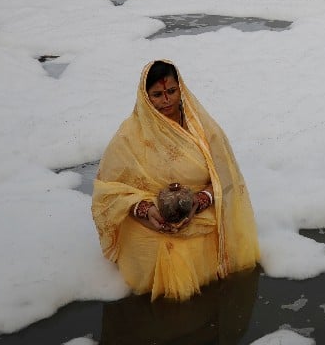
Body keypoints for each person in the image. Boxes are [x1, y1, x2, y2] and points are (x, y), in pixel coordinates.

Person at [92, 60, 259, 301]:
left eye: (171, 91)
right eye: (157, 94)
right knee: (163, 248)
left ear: (181, 89)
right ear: (145, 96)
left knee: (195, 249)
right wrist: (147, 210)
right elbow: (109, 191)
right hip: (150, 220)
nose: (166, 100)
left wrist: (200, 201)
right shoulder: (129, 135)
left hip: (202, 211)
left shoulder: (203, 129)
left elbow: (228, 177)